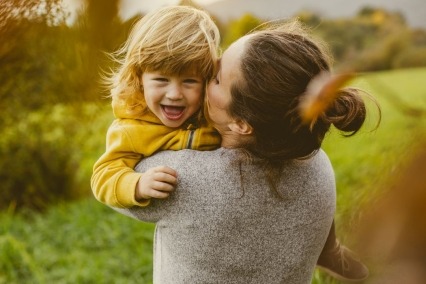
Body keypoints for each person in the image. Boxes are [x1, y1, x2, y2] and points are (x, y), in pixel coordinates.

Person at [111, 19, 377, 283]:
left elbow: (117, 176)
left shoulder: (179, 178)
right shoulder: (317, 163)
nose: (205, 74)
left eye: (214, 79)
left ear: (241, 123)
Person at [91, 6, 221, 208]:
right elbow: (103, 176)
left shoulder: (214, 113)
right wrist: (137, 184)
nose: (175, 94)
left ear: (206, 81)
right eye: (161, 80)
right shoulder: (131, 129)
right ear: (139, 78)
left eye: (189, 81)